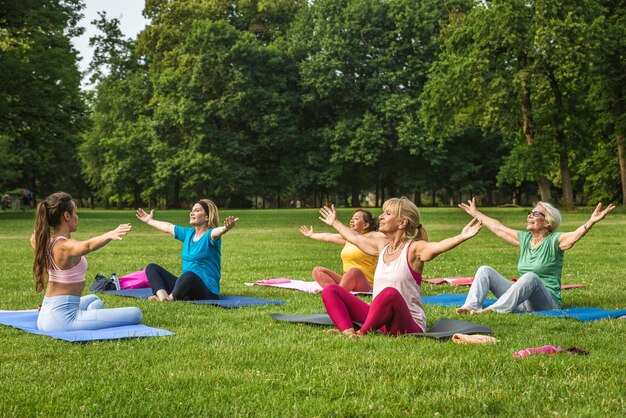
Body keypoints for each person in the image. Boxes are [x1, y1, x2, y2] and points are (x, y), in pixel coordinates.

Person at [318, 197, 482, 337]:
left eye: (387, 214)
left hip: (406, 323)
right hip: (378, 319)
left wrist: (461, 237)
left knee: (389, 294)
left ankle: (362, 333)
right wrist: (335, 222)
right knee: (331, 290)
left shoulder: (414, 249)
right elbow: (355, 238)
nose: (381, 217)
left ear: (402, 222)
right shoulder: (382, 245)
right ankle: (349, 333)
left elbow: (437, 246)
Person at [456, 198, 615, 314]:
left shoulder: (555, 241)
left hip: (546, 303)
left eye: (536, 213)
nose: (530, 216)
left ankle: (495, 310)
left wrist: (590, 222)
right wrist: (476, 213)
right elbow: (498, 228)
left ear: (548, 222)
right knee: (485, 270)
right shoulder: (525, 239)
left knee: (530, 277)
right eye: (530, 213)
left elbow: (574, 236)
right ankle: (471, 306)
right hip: (521, 302)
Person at [32, 192, 142, 332]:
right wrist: (109, 234)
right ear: (67, 216)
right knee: (135, 313)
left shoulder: (49, 243)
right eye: (75, 213)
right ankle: (85, 318)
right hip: (62, 319)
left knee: (94, 299)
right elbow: (87, 246)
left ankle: (88, 318)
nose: (77, 218)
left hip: (48, 312)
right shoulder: (65, 246)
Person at [136, 199, 238, 302]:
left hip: (207, 291)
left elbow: (216, 232)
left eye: (197, 211)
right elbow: (168, 227)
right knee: (152, 268)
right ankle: (163, 297)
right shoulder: (188, 233)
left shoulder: (210, 236)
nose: (192, 213)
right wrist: (149, 220)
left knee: (188, 275)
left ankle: (170, 299)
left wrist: (224, 228)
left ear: (207, 217)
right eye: (192, 210)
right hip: (186, 286)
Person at [299, 209, 383, 292]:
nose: (352, 220)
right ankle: (333, 291)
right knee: (318, 271)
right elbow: (328, 236)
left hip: (366, 284)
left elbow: (382, 236)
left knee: (354, 272)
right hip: (347, 281)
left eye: (356, 219)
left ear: (365, 225)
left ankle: (338, 293)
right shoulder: (348, 238)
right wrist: (312, 234)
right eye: (352, 218)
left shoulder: (371, 238)